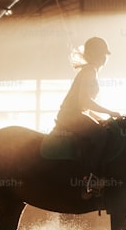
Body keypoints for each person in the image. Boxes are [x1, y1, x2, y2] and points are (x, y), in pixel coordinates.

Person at [44, 37, 121, 196]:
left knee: (102, 129)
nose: (104, 58)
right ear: (96, 54)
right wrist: (110, 112)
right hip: (70, 115)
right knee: (100, 135)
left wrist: (101, 119)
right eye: (102, 54)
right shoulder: (89, 71)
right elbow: (84, 100)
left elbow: (85, 106)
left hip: (77, 113)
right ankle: (89, 179)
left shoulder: (90, 71)